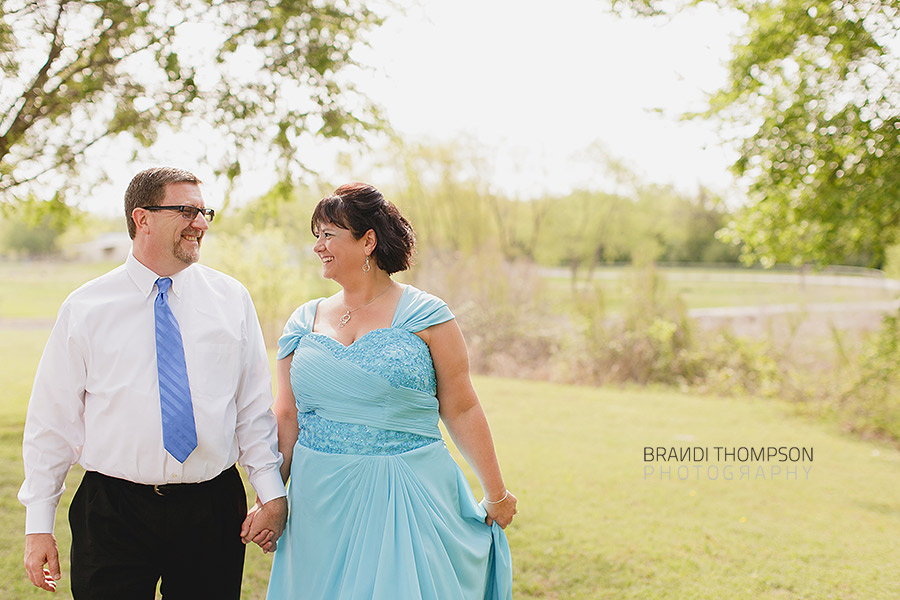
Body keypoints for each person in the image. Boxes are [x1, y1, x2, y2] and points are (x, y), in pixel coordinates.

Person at [18, 166, 288, 598]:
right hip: (112, 511)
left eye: (204, 212)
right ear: (141, 218)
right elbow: (53, 421)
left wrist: (271, 492)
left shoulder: (231, 299)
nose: (200, 223)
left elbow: (252, 411)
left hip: (211, 507)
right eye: (186, 210)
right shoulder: (86, 307)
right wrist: (38, 526)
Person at [257, 182, 516, 599]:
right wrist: (271, 496)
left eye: (328, 235)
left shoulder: (428, 316)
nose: (318, 246)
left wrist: (496, 493)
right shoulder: (302, 321)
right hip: (318, 499)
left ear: (368, 241)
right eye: (316, 236)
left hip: (404, 492)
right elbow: (287, 416)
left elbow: (462, 408)